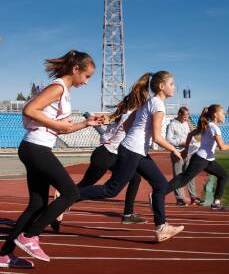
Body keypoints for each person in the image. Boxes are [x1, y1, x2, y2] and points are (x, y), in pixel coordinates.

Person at [0, 50, 103, 268]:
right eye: (87, 76)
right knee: (71, 193)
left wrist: (87, 123)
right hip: (36, 147)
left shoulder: (64, 92)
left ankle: (4, 255)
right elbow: (29, 109)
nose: (87, 81)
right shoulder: (57, 88)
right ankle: (30, 236)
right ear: (76, 69)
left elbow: (61, 129)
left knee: (37, 204)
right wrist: (57, 124)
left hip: (36, 146)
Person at [79, 71, 185, 243]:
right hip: (132, 151)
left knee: (160, 184)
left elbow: (128, 126)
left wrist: (135, 142)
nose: (174, 87)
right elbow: (158, 137)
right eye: (172, 83)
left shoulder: (148, 102)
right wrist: (174, 150)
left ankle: (161, 227)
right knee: (110, 190)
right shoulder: (157, 105)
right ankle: (71, 195)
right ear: (161, 86)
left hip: (135, 151)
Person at [76, 73, 153, 225]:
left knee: (135, 178)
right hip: (105, 155)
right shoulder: (130, 115)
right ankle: (64, 199)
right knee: (84, 187)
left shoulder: (125, 111)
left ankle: (128, 214)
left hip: (113, 155)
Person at [168, 104, 229, 210]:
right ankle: (158, 192)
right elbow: (222, 147)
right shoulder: (213, 128)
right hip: (201, 159)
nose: (224, 115)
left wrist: (186, 150)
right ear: (215, 115)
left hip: (207, 159)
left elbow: (190, 135)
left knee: (224, 175)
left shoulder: (207, 125)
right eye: (222, 113)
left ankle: (216, 203)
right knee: (183, 179)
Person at [166, 106, 201, 206]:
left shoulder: (186, 124)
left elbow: (189, 137)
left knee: (190, 174)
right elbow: (168, 140)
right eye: (185, 116)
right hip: (177, 153)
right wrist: (180, 142)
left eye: (187, 116)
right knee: (178, 176)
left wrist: (195, 142)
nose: (186, 119)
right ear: (179, 114)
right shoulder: (171, 125)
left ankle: (193, 197)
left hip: (187, 152)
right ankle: (179, 199)